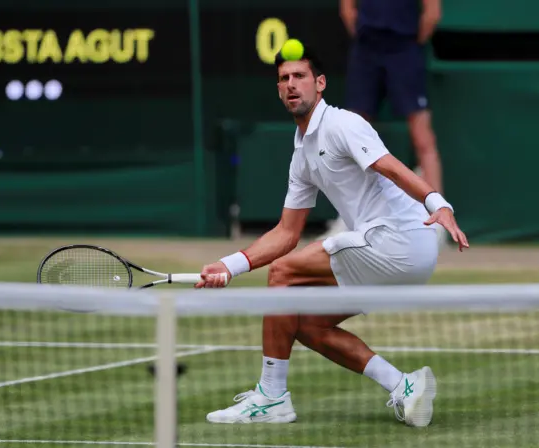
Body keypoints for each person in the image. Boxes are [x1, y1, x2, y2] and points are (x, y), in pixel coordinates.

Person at [196, 44, 468, 427]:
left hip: (399, 241)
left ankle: (272, 397)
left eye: (300, 77)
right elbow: (287, 233)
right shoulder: (302, 155)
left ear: (320, 83)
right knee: (306, 322)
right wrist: (228, 266)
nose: (291, 85)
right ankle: (403, 385)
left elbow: (390, 167)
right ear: (278, 90)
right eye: (284, 79)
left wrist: (437, 202)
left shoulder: (342, 124)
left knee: (282, 274)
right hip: (397, 255)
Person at [320, 0, 443, 241]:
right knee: (350, 135)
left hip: (405, 49)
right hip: (366, 50)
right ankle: (348, 217)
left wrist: (404, 41)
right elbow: (347, 9)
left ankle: (439, 219)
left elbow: (432, 14)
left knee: (422, 137)